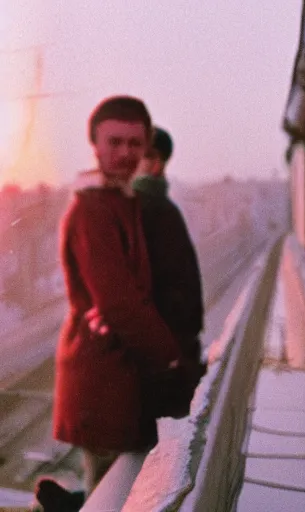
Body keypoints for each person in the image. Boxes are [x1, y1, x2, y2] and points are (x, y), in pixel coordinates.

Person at [34, 96, 188, 510]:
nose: (125, 153)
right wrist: (172, 358)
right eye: (114, 142)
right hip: (102, 378)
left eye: (135, 144)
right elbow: (119, 302)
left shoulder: (120, 201)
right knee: (111, 495)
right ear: (94, 144)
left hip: (115, 374)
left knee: (113, 489)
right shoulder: (93, 211)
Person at [132, 127, 205, 372]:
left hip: (164, 343)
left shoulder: (152, 208)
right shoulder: (158, 209)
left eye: (160, 158)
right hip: (168, 342)